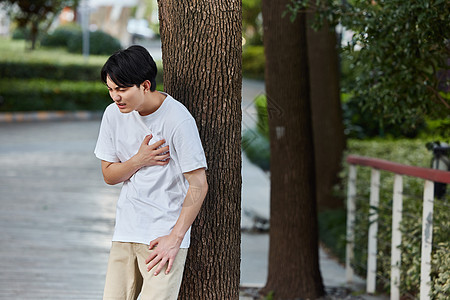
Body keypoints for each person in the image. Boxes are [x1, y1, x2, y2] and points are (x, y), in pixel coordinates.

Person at [94, 45, 208, 300]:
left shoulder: (177, 120)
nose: (115, 97)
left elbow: (199, 184)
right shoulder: (113, 115)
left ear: (145, 85)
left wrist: (175, 237)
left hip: (162, 238)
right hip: (125, 231)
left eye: (122, 90)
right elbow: (109, 175)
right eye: (111, 89)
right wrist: (139, 160)